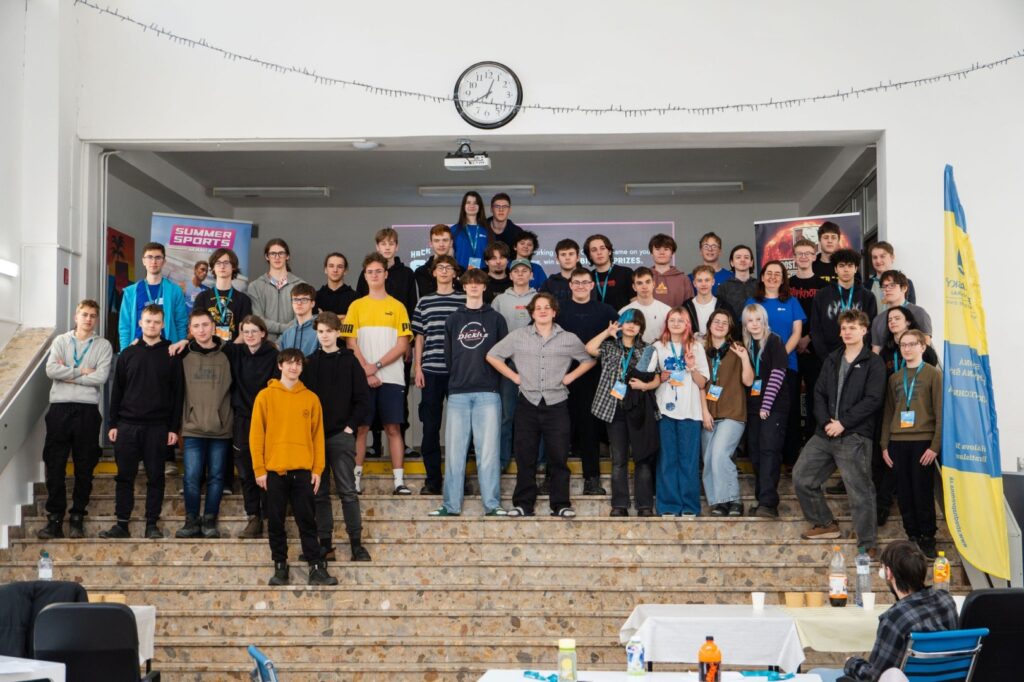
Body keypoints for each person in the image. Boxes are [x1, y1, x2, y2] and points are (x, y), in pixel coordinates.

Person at [486, 293, 596, 518]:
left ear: (554, 312)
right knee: (525, 457)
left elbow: (589, 359)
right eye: (538, 308)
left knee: (558, 457)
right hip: (527, 403)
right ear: (532, 313)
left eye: (547, 307)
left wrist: (570, 377)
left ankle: (560, 504)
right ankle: (523, 505)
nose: (543, 311)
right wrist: (514, 377)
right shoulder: (518, 336)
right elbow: (493, 355)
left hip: (557, 404)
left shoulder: (568, 338)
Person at [793, 310, 886, 550]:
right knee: (802, 477)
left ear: (864, 330)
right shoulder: (832, 359)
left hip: (854, 435)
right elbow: (819, 393)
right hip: (825, 433)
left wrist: (843, 423)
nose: (847, 332)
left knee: (860, 491)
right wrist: (826, 422)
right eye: (844, 328)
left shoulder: (873, 362)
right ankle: (824, 523)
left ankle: (867, 544)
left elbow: (873, 399)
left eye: (852, 328)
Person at [250, 348, 338, 586]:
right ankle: (280, 566)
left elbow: (317, 437)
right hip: (274, 471)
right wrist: (259, 470)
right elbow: (256, 436)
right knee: (275, 522)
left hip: (303, 471)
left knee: (307, 521)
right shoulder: (265, 397)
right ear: (280, 366)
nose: (293, 367)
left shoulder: (311, 398)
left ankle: (316, 567)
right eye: (289, 363)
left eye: (298, 363)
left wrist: (317, 469)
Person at [811, 540, 957, 682]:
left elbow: (873, 677)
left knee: (815, 673)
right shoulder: (946, 600)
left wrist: (851, 663)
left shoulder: (895, 618)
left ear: (888, 573)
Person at [100, 304, 183, 540]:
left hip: (158, 427)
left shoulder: (171, 355)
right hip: (127, 426)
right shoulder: (128, 354)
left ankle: (151, 524)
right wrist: (113, 424)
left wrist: (173, 428)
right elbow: (117, 391)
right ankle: (121, 524)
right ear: (140, 323)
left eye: (156, 322)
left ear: (163, 325)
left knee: (156, 477)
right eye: (148, 321)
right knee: (124, 477)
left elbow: (178, 394)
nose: (152, 325)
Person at [431, 269, 509, 516]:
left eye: (478, 283)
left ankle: (492, 505)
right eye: (469, 283)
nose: (474, 286)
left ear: (485, 287)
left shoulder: (496, 319)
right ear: (463, 287)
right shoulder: (453, 319)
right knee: (454, 453)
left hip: (488, 393)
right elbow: (449, 356)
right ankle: (451, 505)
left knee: (489, 453)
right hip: (458, 393)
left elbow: (503, 355)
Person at [37, 299, 113, 539]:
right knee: (54, 464)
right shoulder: (61, 341)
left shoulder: (103, 345)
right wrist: (81, 372)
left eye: (93, 315)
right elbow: (51, 370)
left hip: (87, 411)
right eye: (84, 314)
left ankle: (78, 516)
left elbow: (100, 377)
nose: (88, 319)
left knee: (85, 465)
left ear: (96, 319)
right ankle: (55, 519)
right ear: (76, 316)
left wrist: (66, 374)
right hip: (59, 409)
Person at [303, 312, 372, 562]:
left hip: (341, 436)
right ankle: (325, 546)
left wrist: (350, 427)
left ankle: (356, 545)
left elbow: (363, 399)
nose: (324, 336)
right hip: (315, 439)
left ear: (338, 332)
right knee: (319, 494)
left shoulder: (350, 361)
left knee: (347, 492)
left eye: (329, 331)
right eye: (321, 331)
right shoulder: (309, 363)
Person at [343, 253, 414, 495]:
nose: (374, 275)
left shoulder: (398, 306)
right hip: (362, 378)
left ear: (386, 274)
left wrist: (377, 366)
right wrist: (366, 369)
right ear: (365, 276)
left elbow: (402, 345)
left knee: (393, 428)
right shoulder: (356, 306)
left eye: (378, 271)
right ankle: (354, 482)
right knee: (361, 429)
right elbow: (350, 342)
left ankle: (399, 482)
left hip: (391, 377)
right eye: (370, 271)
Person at [585, 309, 659, 516]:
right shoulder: (610, 346)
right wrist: (607, 332)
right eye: (627, 322)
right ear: (621, 324)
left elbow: (657, 377)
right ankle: (619, 504)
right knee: (619, 459)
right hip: (614, 409)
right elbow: (589, 348)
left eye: (636, 323)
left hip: (639, 409)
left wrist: (644, 386)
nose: (631, 326)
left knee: (642, 458)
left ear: (641, 328)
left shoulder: (648, 349)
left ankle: (644, 505)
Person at [881, 330, 943, 558]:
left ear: (922, 347)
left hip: (922, 442)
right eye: (903, 345)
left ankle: (928, 537)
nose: (907, 349)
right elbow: (889, 413)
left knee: (922, 491)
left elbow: (941, 412)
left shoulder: (933, 374)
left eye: (912, 344)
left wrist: (935, 446)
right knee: (904, 493)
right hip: (897, 442)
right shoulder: (895, 378)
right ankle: (912, 535)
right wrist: (884, 445)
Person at [173, 309, 233, 540]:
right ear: (190, 330)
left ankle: (209, 520)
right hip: (192, 427)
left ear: (213, 327)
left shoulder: (229, 353)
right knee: (191, 477)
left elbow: (255, 344)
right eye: (196, 326)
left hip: (221, 427)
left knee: (216, 477)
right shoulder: (182, 355)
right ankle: (191, 520)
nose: (201, 330)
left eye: (205, 325)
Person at [557, 267, 618, 495]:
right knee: (558, 431)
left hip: (595, 377)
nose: (581, 286)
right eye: (577, 282)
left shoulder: (606, 311)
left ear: (592, 286)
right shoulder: (558, 310)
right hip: (561, 376)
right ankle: (553, 479)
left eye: (585, 282)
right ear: (570, 285)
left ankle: (591, 479)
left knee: (589, 429)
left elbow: (619, 341)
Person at [411, 254, 466, 495]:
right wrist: (418, 367)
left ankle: (459, 480)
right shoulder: (424, 302)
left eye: (448, 268)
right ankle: (433, 480)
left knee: (460, 430)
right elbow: (419, 337)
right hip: (431, 371)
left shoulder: (464, 300)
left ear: (455, 273)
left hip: (458, 373)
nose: (444, 271)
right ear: (433, 273)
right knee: (430, 428)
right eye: (440, 267)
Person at [224, 315, 279, 539]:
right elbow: (207, 343)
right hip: (243, 419)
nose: (249, 335)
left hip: (267, 419)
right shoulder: (236, 352)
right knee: (246, 471)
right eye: (245, 331)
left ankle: (271, 515)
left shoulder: (274, 356)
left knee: (268, 469)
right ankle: (253, 516)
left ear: (263, 333)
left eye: (254, 331)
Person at [651, 308, 710, 516]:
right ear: (667, 323)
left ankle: (689, 506)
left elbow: (702, 383)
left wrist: (692, 367)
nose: (676, 323)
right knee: (667, 459)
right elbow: (647, 377)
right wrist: (660, 377)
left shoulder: (696, 347)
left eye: (680, 320)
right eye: (672, 320)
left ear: (687, 324)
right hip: (664, 410)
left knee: (689, 461)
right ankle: (668, 506)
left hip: (690, 411)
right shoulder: (657, 347)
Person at [747, 260, 805, 465]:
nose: (772, 277)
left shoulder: (791, 302)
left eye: (777, 274)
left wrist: (779, 356)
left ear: (783, 279)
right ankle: (765, 461)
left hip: (787, 365)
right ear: (762, 277)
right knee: (760, 414)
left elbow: (797, 333)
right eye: (769, 273)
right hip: (758, 369)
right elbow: (746, 332)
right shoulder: (753, 302)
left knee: (788, 413)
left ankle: (790, 460)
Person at [700, 310, 753, 517]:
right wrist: (704, 412)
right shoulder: (701, 350)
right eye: (716, 321)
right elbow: (699, 384)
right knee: (709, 459)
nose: (720, 325)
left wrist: (745, 358)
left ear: (730, 327)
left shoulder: (737, 348)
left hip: (733, 411)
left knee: (720, 455)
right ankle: (719, 502)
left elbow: (748, 381)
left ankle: (735, 499)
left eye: (725, 322)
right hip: (709, 412)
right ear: (709, 325)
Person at [741, 303, 790, 518]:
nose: (754, 324)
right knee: (755, 452)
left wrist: (766, 405)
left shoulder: (774, 341)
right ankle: (762, 499)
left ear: (764, 321)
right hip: (754, 407)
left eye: (758, 319)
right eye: (750, 320)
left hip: (773, 406)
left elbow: (778, 374)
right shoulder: (747, 344)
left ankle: (769, 503)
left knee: (769, 451)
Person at [491, 258, 538, 472]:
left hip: (535, 362)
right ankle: (502, 459)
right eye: (516, 271)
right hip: (508, 363)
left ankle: (537, 460)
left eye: (524, 270)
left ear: (531, 275)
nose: (520, 274)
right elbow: (493, 332)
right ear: (510, 275)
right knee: (506, 414)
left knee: (536, 414)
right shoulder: (500, 300)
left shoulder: (539, 298)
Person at [788, 238, 826, 444]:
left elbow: (825, 319)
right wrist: (795, 341)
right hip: (790, 350)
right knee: (791, 398)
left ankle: (813, 443)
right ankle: (793, 446)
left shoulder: (824, 286)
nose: (803, 257)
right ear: (794, 258)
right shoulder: (786, 285)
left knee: (815, 397)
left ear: (814, 256)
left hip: (814, 349)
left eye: (807, 253)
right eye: (799, 253)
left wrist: (808, 338)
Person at [118, 242, 188, 351]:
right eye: (150, 257)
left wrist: (180, 349)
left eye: (158, 257)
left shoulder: (175, 291)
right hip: (138, 350)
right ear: (143, 261)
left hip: (168, 350)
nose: (154, 261)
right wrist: (125, 352)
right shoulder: (131, 292)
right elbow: (125, 325)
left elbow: (181, 323)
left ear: (164, 261)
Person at [810, 248, 878, 360]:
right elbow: (815, 329)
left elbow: (871, 328)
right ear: (835, 269)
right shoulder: (822, 295)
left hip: (859, 355)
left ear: (856, 268)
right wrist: (825, 356)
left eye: (850, 265)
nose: (846, 270)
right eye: (841, 266)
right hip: (828, 357)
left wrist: (861, 353)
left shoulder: (867, 296)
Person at [249, 238, 306, 343]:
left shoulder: (301, 285)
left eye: (281, 253)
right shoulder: (255, 286)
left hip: (292, 343)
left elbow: (301, 318)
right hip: (265, 344)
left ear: (287, 256)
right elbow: (258, 320)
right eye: (273, 254)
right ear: (267, 256)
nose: (277, 257)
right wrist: (285, 328)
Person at [193, 248, 253, 342]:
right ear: (213, 268)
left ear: (233, 267)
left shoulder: (243, 300)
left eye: (226, 262)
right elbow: (196, 329)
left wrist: (231, 349)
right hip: (207, 348)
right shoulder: (202, 297)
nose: (222, 266)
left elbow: (244, 333)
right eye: (218, 263)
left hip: (234, 349)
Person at [355, 227, 418, 316]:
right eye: (383, 244)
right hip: (371, 320)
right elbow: (359, 300)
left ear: (396, 247)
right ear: (377, 247)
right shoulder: (368, 272)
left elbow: (412, 305)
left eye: (391, 244)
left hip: (399, 321)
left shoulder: (407, 273)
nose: (387, 248)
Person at [870, 271, 931, 353]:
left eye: (892, 285)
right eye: (884, 286)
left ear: (904, 288)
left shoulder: (919, 312)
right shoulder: (878, 320)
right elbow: (876, 352)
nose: (887, 289)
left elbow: (926, 346)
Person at [619, 267, 671, 345]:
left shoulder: (667, 310)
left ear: (653, 284)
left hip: (659, 351)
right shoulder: (624, 312)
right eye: (639, 283)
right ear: (634, 287)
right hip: (633, 352)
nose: (644, 287)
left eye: (648, 282)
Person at [879, 307, 939, 375]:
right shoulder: (885, 351)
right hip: (893, 382)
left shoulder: (922, 348)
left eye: (897, 318)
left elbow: (932, 372)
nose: (892, 322)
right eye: (889, 320)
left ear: (908, 322)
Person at [683, 265, 735, 340]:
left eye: (707, 280)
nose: (703, 284)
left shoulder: (724, 306)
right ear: (694, 283)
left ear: (713, 282)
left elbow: (733, 331)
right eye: (699, 280)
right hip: (693, 346)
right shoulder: (686, 307)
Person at [585, 233, 634, 311]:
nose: (599, 252)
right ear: (590, 255)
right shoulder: (587, 278)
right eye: (594, 250)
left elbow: (635, 302)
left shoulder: (626, 273)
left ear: (609, 251)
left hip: (622, 318)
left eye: (602, 248)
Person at [414, 225, 463, 297]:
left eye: (445, 240)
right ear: (431, 244)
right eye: (436, 241)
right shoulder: (421, 272)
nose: (441, 244)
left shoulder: (462, 271)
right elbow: (428, 296)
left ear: (451, 243)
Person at [716, 244, 758, 327]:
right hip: (733, 330)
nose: (742, 260)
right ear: (732, 263)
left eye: (746, 257)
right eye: (738, 257)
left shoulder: (760, 285)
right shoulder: (723, 287)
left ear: (751, 263)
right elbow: (720, 314)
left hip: (756, 328)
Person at [648, 233, 694, 308]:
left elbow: (689, 308)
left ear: (672, 253)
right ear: (651, 253)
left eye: (666, 249)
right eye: (657, 249)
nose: (662, 253)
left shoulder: (683, 279)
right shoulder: (644, 278)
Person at [867, 242, 916, 310]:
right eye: (875, 257)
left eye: (882, 256)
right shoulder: (866, 286)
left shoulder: (906, 283)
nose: (878, 261)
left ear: (892, 257)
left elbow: (911, 311)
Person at [451, 191, 492, 270]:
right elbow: (450, 255)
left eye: (475, 203)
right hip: (461, 274)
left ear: (479, 206)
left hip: (483, 274)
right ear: (464, 206)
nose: (472, 205)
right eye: (468, 202)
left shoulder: (487, 230)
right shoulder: (454, 230)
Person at [541, 239, 588, 304]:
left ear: (578, 258)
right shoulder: (548, 283)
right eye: (563, 254)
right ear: (557, 259)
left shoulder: (587, 281)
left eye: (571, 254)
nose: (567, 258)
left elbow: (592, 306)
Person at [279, 283, 319, 356]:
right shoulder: (286, 334)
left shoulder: (320, 331)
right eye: (295, 299)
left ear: (312, 303)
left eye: (304, 299)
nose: (299, 303)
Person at [315, 252, 359, 318]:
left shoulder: (355, 297)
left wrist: (324, 317)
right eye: (331, 266)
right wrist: (344, 317)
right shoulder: (316, 297)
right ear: (325, 269)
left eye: (340, 266)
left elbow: (354, 323)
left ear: (345, 271)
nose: (335, 270)